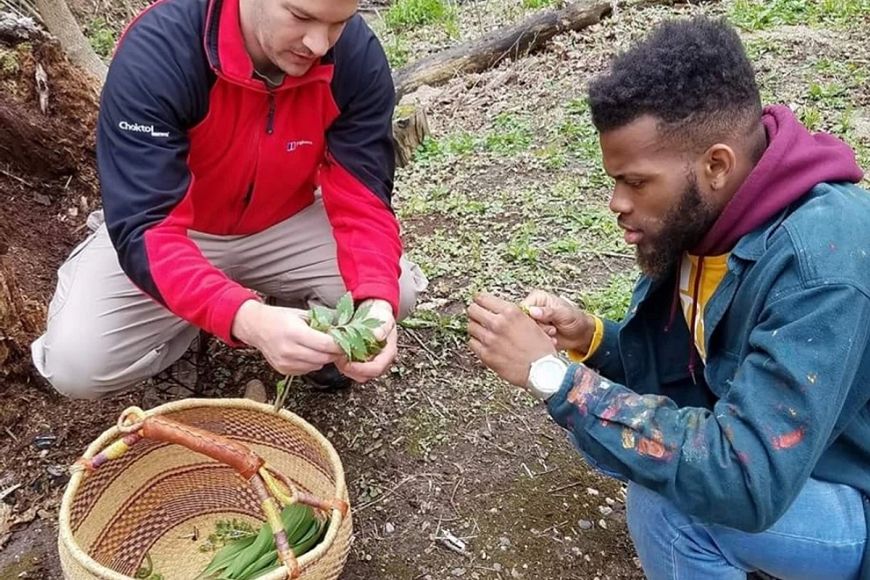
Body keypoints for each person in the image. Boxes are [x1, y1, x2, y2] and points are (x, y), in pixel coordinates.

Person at [468, 16, 868, 580]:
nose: (616, 202)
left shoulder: (821, 266)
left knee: (672, 504)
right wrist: (593, 340)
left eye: (635, 182)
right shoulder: (705, 221)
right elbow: (692, 373)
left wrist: (553, 377)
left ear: (716, 165)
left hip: (853, 494)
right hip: (798, 469)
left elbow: (743, 479)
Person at [31, 0, 427, 399]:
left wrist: (375, 298)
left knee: (394, 293)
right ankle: (187, 322)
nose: (319, 43)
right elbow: (146, 226)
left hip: (286, 220)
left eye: (338, 23)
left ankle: (296, 322)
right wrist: (245, 318)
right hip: (179, 229)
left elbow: (363, 196)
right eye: (301, 17)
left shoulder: (355, 57)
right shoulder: (159, 50)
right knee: (76, 365)